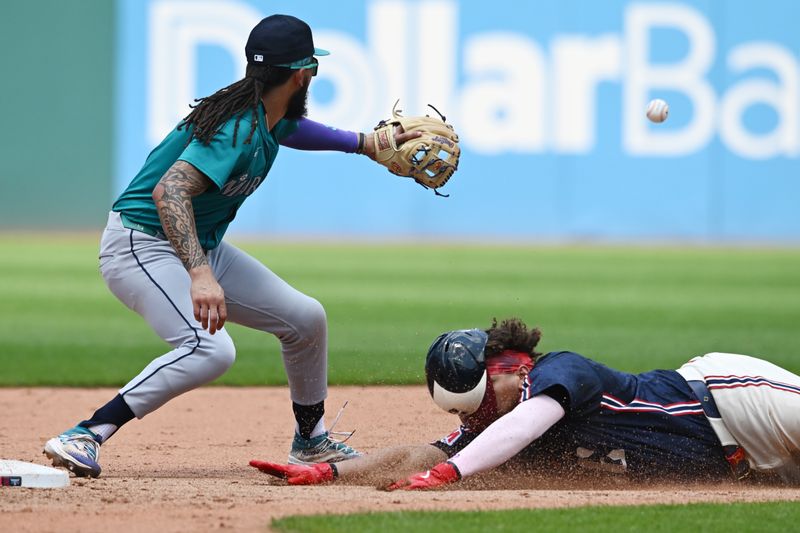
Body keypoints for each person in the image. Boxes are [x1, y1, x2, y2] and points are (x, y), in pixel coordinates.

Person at [43, 14, 420, 478]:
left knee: (305, 319)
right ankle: (85, 433)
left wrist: (365, 143)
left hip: (192, 243)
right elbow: (170, 192)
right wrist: (201, 275)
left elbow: (293, 129)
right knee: (210, 350)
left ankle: (311, 441)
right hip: (141, 244)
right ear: (304, 73)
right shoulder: (237, 127)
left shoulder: (265, 111)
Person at [250, 318, 800, 489]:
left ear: (511, 366)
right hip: (741, 463)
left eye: (479, 401)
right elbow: (422, 452)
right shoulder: (496, 426)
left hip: (734, 397)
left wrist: (451, 473)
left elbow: (527, 422)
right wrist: (328, 471)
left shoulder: (561, 372)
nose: (475, 419)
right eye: (464, 414)